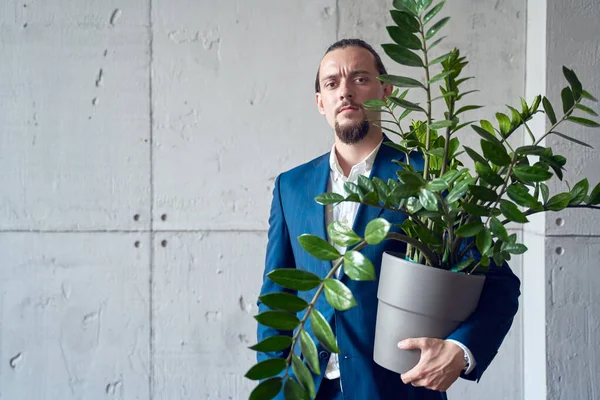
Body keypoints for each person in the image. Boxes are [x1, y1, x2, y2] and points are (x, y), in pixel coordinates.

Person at [256, 38, 521, 400]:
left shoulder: (431, 177)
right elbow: (276, 297)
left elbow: (499, 285)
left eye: (360, 79)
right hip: (308, 390)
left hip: (400, 391)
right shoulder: (292, 187)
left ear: (387, 90)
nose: (345, 91)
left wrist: (459, 352)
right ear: (321, 102)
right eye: (332, 83)